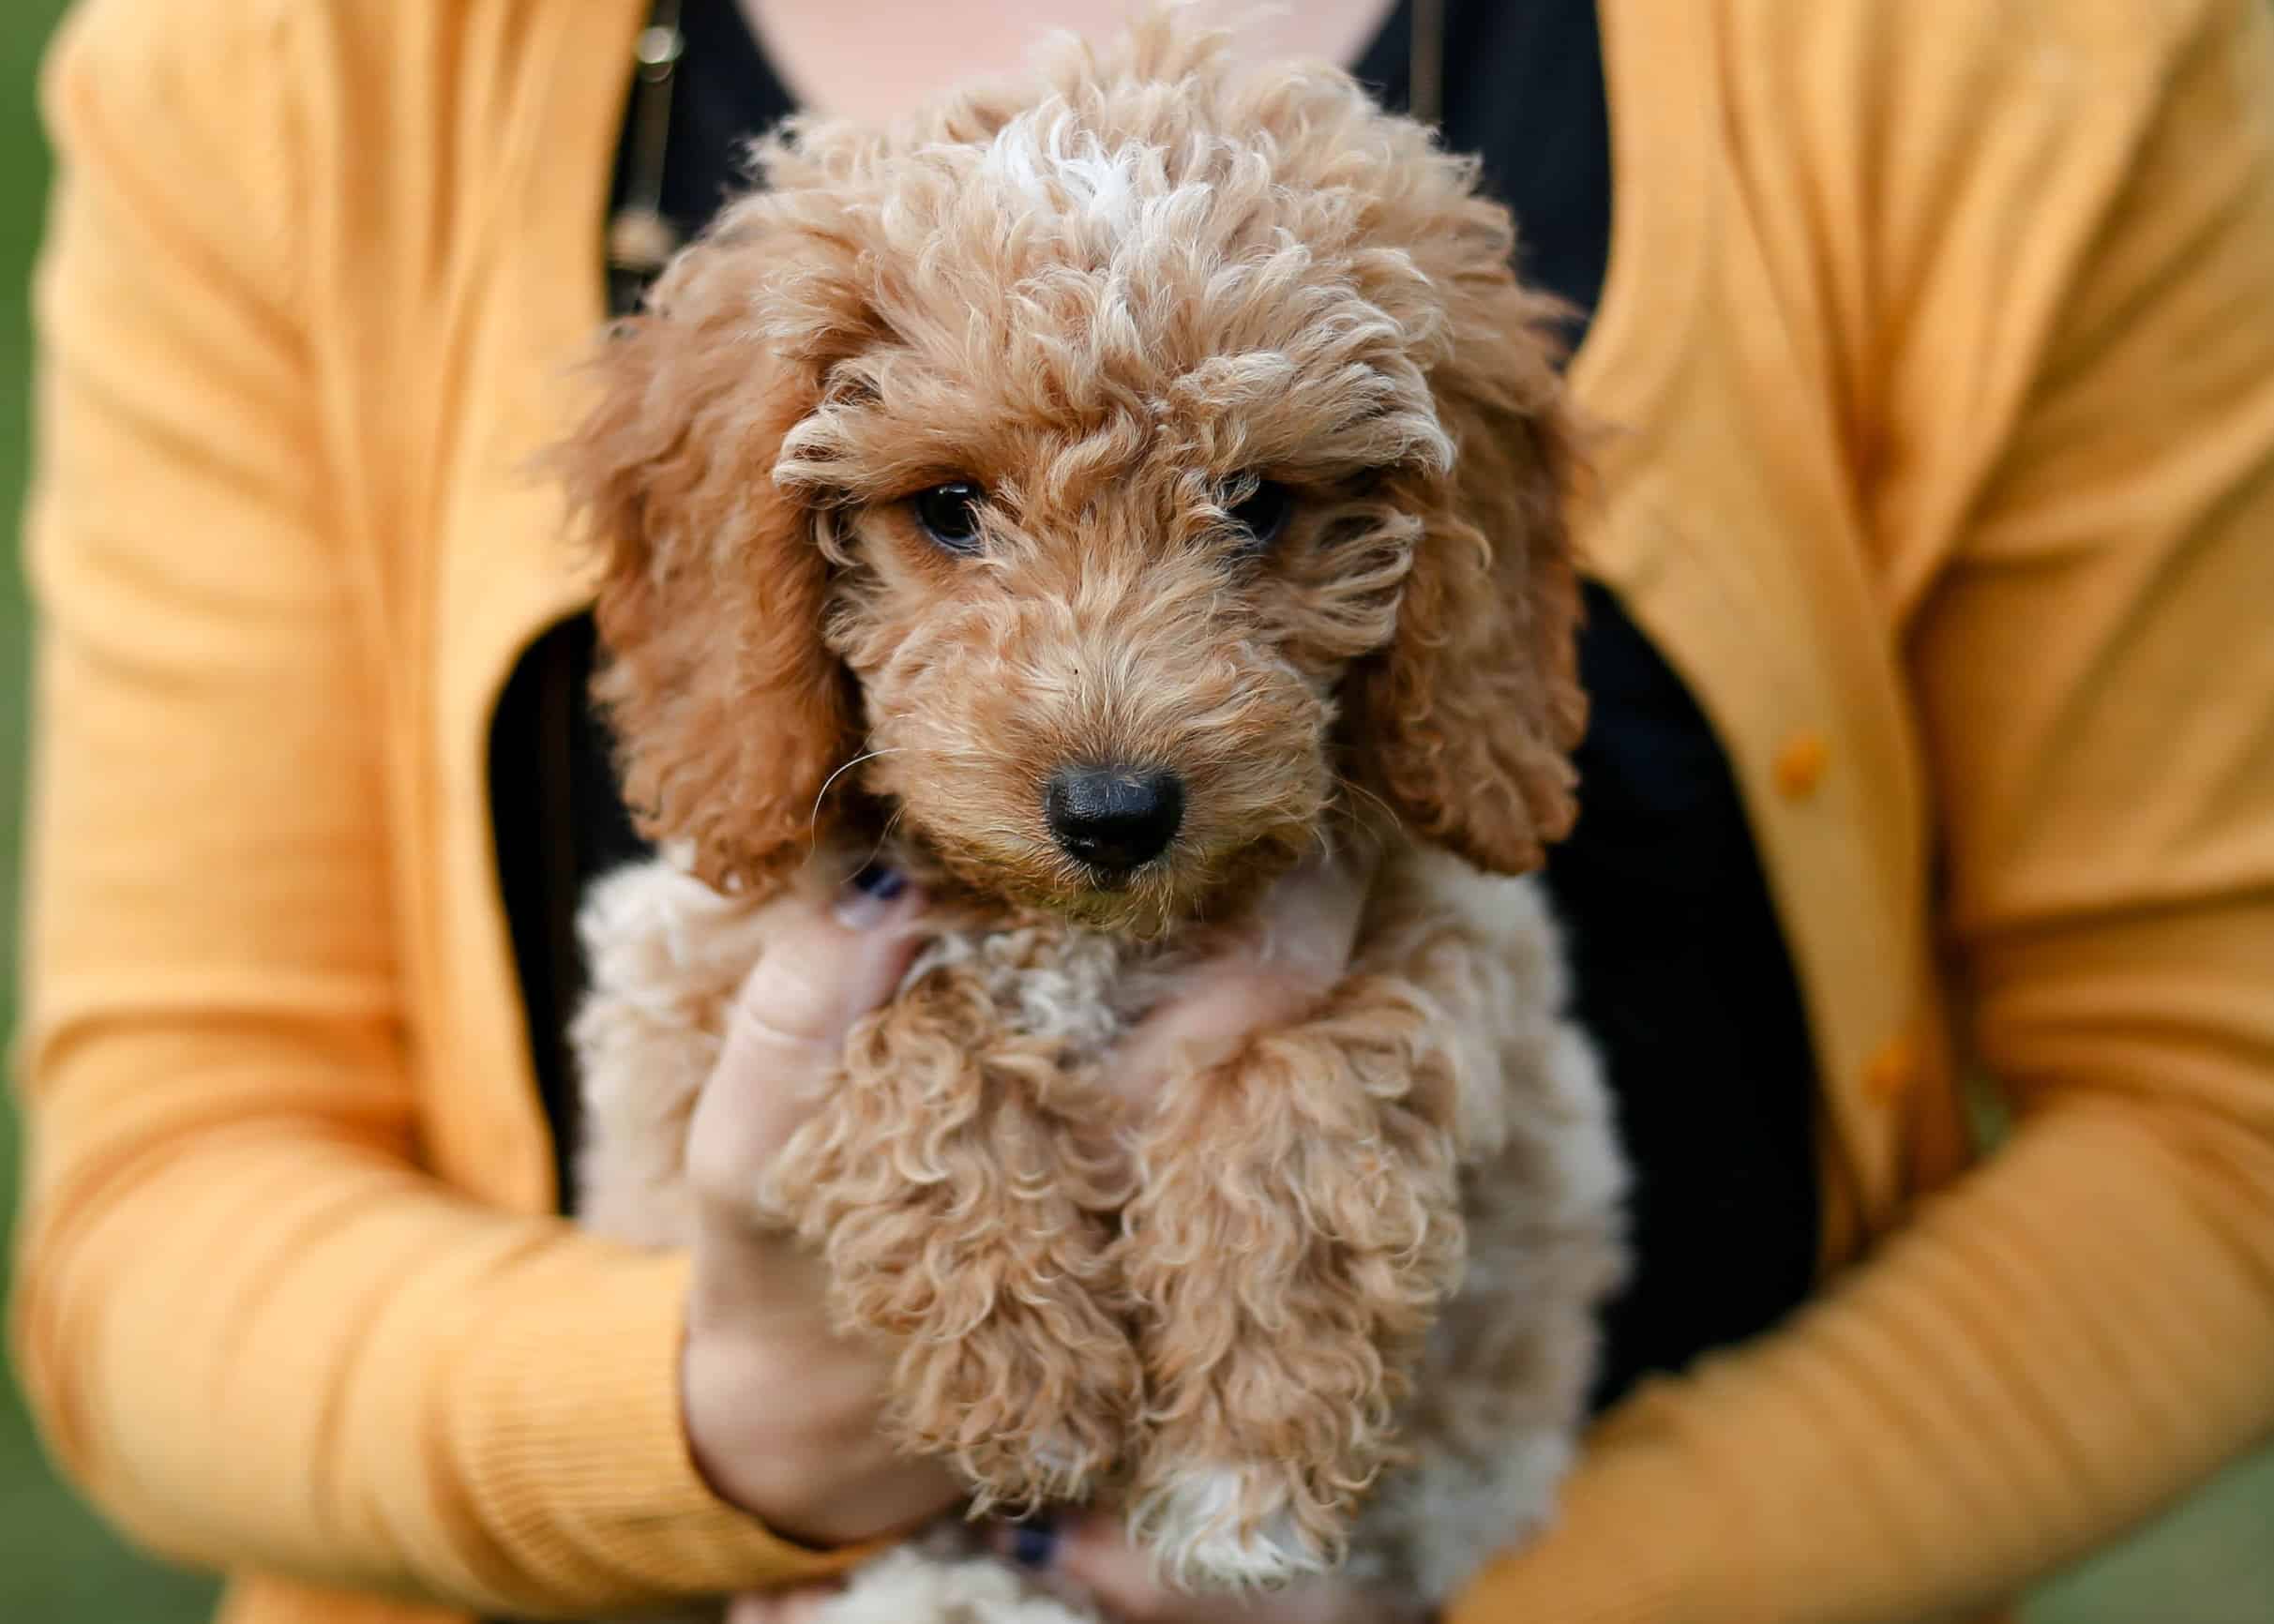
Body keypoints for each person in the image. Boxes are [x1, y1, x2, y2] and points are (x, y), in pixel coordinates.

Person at [11, 0, 2273, 1621]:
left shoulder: (2001, 53)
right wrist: (721, 1424)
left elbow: (2219, 1119)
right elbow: (147, 1221)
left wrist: (1493, 1588)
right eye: (947, 518)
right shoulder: (280, 66)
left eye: (1270, 511)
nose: (1110, 724)